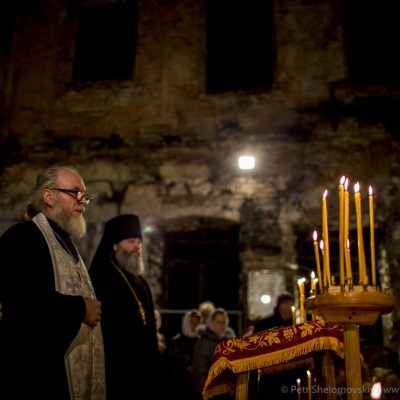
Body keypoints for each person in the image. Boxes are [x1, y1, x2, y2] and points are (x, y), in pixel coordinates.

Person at [0, 165, 105, 400]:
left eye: (85, 195)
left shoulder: (66, 242)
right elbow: (21, 303)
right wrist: (80, 308)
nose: (83, 201)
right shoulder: (22, 237)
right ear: (48, 196)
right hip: (37, 377)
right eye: (74, 192)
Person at [89, 214, 162, 399]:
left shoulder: (141, 282)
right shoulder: (102, 277)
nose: (137, 246)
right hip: (117, 367)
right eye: (131, 241)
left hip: (143, 368)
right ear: (115, 245)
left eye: (139, 241)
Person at [192, 307, 236, 399]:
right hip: (211, 392)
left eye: (224, 322)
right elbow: (200, 370)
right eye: (218, 322)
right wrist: (204, 392)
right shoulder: (204, 342)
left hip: (226, 391)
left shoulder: (228, 341)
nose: (221, 325)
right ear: (211, 322)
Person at [167, 308, 202, 400]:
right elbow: (171, 363)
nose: (195, 325)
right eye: (192, 322)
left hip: (197, 383)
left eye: (197, 323)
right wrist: (185, 366)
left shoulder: (201, 341)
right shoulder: (177, 341)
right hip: (180, 383)